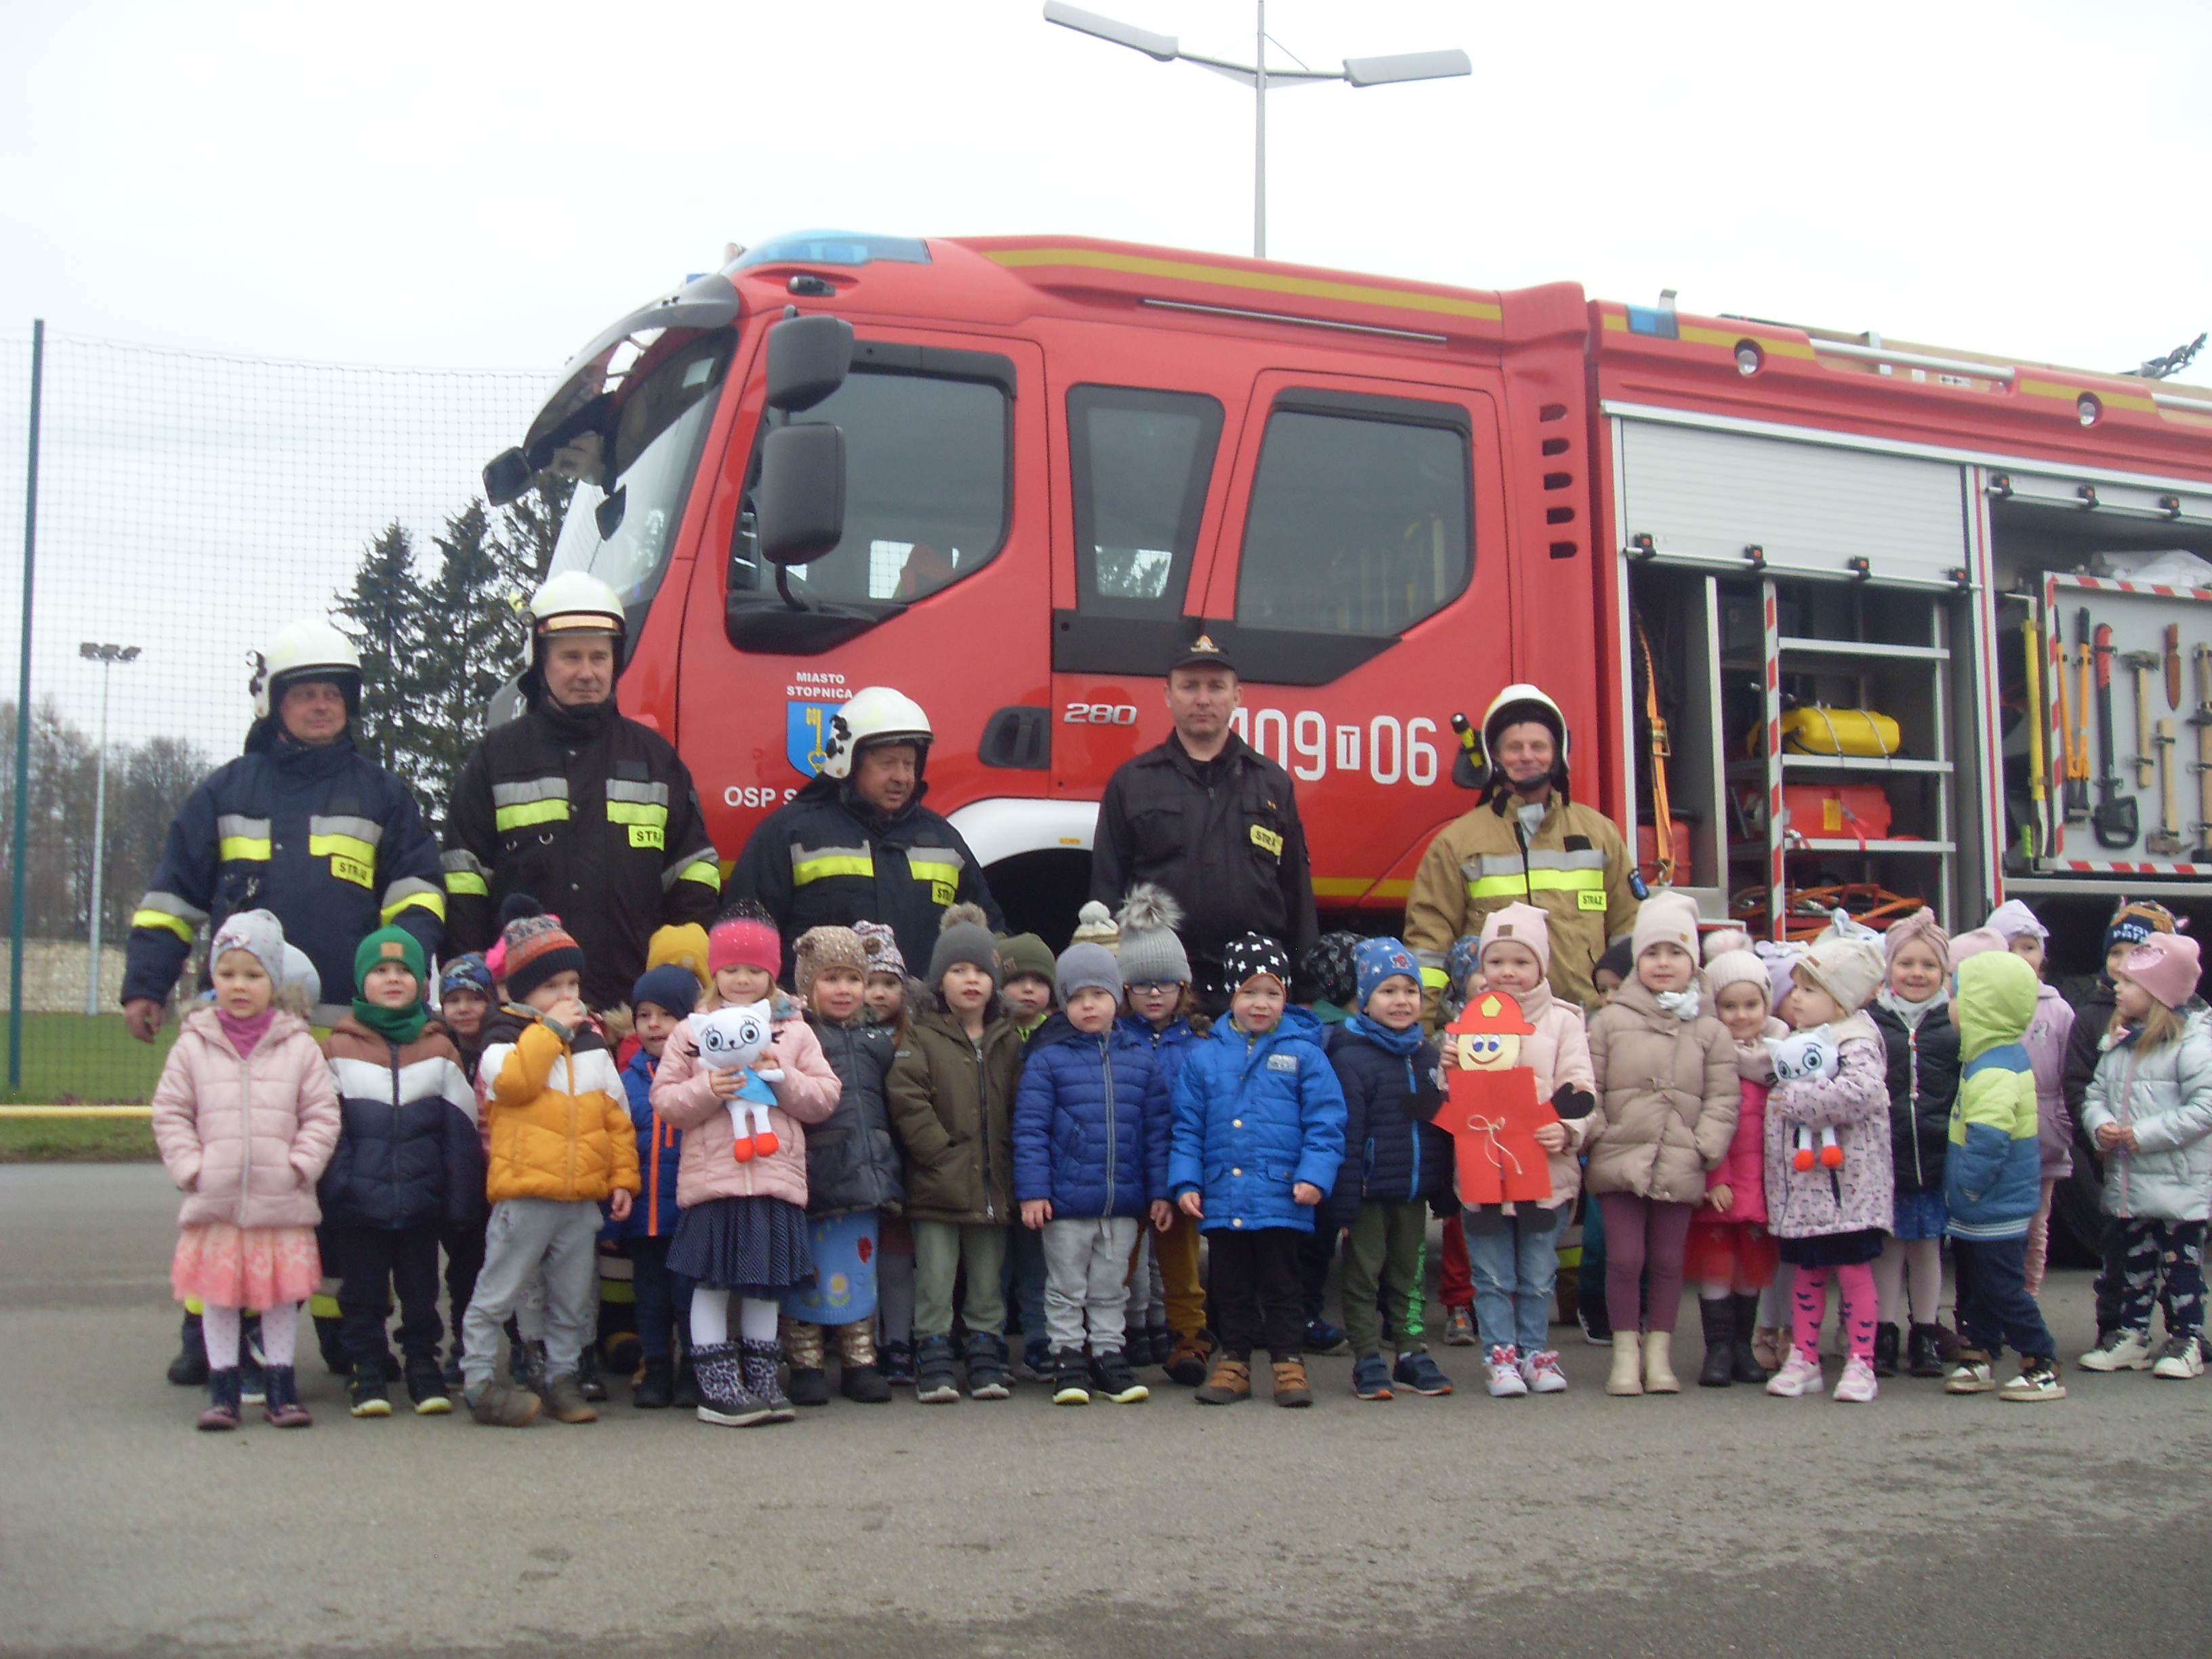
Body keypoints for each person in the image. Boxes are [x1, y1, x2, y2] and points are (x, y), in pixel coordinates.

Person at [127, 621, 443, 1388]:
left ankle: (345, 1333)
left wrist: (399, 975)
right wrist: (145, 983)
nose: (321, 706)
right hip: (240, 1039)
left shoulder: (382, 796)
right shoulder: (226, 792)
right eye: (305, 695)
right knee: (235, 1188)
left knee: (342, 1195)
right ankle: (209, 1334)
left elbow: (418, 896)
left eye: (333, 694)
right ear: (273, 703)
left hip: (348, 1038)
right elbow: (172, 898)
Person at [442, 573, 722, 1010]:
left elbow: (695, 873)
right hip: (525, 1014)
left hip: (635, 1012)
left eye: (599, 657)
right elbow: (463, 880)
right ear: (540, 662)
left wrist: (678, 972)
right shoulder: (497, 759)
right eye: (571, 657)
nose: (588, 673)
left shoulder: (655, 759)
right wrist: (474, 978)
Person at [649, 908, 842, 1426]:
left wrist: (781, 1077)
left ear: (771, 974)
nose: (741, 978)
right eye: (730, 968)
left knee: (765, 1285)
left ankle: (762, 1380)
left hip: (775, 1180)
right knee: (711, 1284)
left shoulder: (794, 1031)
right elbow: (665, 1100)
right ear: (714, 972)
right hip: (714, 1182)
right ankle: (717, 1388)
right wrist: (707, 1088)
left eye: (754, 970)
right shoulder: (691, 1032)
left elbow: (825, 1097)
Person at [150, 910, 340, 1430]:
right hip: (216, 1200)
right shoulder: (194, 1044)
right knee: (219, 1298)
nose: (239, 985)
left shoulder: (297, 1045)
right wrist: (191, 1168)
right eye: (228, 973)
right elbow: (171, 1112)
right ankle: (223, 1392)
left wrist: (301, 1166)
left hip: (281, 1200)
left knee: (279, 1297)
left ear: (274, 981)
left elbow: (322, 1114)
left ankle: (281, 1389)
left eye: (253, 975)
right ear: (212, 976)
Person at [461, 897, 641, 1428]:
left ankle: (561, 1377)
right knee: (499, 1291)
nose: (567, 997)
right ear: (520, 992)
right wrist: (551, 1031)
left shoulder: (591, 1044)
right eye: (551, 986)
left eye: (573, 984)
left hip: (580, 1198)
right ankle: (479, 1382)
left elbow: (616, 1115)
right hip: (524, 1195)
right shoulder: (502, 1038)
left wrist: (622, 1177)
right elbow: (514, 1085)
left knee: (572, 1300)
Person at [1170, 933, 1347, 1408]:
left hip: (1282, 1195)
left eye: (1273, 992)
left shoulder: (1305, 1054)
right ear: (1231, 996)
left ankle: (1289, 1364)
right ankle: (1234, 1363)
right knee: (1230, 1288)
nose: (1261, 1004)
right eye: (1249, 992)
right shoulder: (1204, 1057)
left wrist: (1315, 1175)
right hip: (1224, 1197)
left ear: (1286, 998)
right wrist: (1186, 1182)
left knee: (1284, 1286)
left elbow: (1326, 1121)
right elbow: (1187, 1127)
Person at [1090, 638, 1317, 1002]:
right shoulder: (1132, 782)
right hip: (1163, 987)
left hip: (1253, 988)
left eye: (1216, 687)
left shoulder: (1272, 782)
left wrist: (1307, 990)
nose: (1203, 699)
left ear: (1237, 696)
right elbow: (1107, 887)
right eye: (1189, 687)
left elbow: (1297, 891)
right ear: (1168, 695)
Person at [728, 685, 1002, 985]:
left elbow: (989, 937)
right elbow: (742, 940)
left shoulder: (945, 843)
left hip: (918, 1015)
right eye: (888, 763)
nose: (902, 777)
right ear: (848, 763)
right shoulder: (791, 834)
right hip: (812, 1014)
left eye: (909, 764)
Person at [318, 928, 483, 1418]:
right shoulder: (337, 1049)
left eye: (403, 971)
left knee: (421, 1294)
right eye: (380, 971)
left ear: (421, 984)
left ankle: (423, 1369)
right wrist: (337, 1189)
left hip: (421, 1203)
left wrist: (460, 1201)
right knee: (362, 1295)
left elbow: (460, 1134)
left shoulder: (440, 1049)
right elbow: (326, 1128)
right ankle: (367, 1371)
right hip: (357, 1206)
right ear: (360, 981)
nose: (393, 979)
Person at [1404, 684, 1639, 1021]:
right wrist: (1421, 1033)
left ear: (1557, 754)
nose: (1527, 756)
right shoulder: (1456, 844)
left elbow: (1629, 934)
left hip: (1585, 1026)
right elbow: (1429, 950)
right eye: (1514, 748)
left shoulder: (1600, 835)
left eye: (1538, 747)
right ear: (1495, 757)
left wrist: (1630, 1020)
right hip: (1493, 1030)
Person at [1584, 893, 1736, 1396]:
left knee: (1669, 1262)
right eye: (1652, 952)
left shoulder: (1710, 1030)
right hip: (1620, 1157)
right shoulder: (1609, 1022)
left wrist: (1703, 1145)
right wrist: (1598, 1131)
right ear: (1638, 961)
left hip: (1679, 1158)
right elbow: (1588, 1086)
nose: (1664, 963)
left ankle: (1659, 1355)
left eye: (1676, 952)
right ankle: (1625, 1355)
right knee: (1625, 1258)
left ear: (1694, 961)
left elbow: (1723, 1097)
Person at [1012, 941, 1173, 1406]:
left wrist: (1160, 1192)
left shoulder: (1140, 1059)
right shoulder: (1047, 1060)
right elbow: (1030, 1130)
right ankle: (1067, 1358)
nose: (1089, 1006)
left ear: (1116, 999)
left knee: (1110, 1287)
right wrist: (1033, 1192)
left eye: (1099, 995)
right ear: (1063, 1003)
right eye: (1077, 997)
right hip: (1065, 1203)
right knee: (1065, 1286)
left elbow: (1156, 1132)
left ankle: (1108, 1356)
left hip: (1122, 1202)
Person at [884, 905, 1026, 1404]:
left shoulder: (1009, 1041)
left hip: (993, 1182)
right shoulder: (921, 1035)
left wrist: (1010, 1157)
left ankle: (986, 1352)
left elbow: (1021, 1104)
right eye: (958, 970)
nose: (970, 981)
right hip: (937, 1182)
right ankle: (934, 1352)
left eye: (980, 972)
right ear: (939, 981)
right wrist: (938, 1153)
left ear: (994, 983)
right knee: (936, 1277)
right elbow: (907, 1098)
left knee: (988, 1278)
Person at [1320, 939, 1455, 1401]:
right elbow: (1347, 1133)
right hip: (1368, 1192)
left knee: (1410, 1276)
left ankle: (1411, 1352)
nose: (1401, 1001)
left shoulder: (1429, 1056)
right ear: (1365, 999)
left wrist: (1444, 1188)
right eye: (1388, 991)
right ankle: (1367, 1357)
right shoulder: (1350, 1056)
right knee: (1363, 1276)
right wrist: (1343, 1201)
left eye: (1410, 991)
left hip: (1413, 1191)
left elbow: (1443, 1128)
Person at [2076, 933, 2212, 1381]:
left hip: (2178, 1183)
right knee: (2133, 1262)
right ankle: (2131, 1335)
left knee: (2181, 1266)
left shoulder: (2194, 1045)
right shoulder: (2119, 1043)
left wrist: (2143, 1135)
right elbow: (2095, 1094)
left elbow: (2205, 1108)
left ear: (2158, 994)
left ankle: (2187, 1339)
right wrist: (2100, 1126)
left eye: (2130, 982)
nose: (2117, 986)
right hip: (2131, 1183)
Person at [1761, 935, 1891, 1402]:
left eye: (1810, 990)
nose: (1796, 998)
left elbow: (1862, 1092)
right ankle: (1805, 1358)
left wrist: (1794, 1099)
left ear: (1841, 1000)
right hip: (1804, 1189)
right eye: (1796, 988)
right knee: (1807, 1272)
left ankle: (1862, 1361)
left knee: (1853, 1271)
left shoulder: (1856, 1041)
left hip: (1846, 1189)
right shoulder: (1796, 1040)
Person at [1937, 931, 2064, 1402]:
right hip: (1985, 1207)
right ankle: (1979, 1353)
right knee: (1976, 1286)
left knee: (2002, 1288)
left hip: (1992, 1205)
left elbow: (1989, 1140)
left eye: (1957, 998)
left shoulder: (1992, 1070)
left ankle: (2041, 1361)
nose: (1950, 1006)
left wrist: (1967, 1189)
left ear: (1982, 1008)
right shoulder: (1988, 1058)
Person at [785, 925, 902, 1407]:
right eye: (830, 978)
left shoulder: (880, 1041)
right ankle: (806, 1363)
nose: (844, 989)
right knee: (806, 1274)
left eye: (853, 978)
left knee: (858, 1272)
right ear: (807, 983)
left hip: (867, 1171)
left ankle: (860, 1361)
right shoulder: (798, 1035)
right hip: (815, 1173)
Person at [2062, 899, 2177, 1347]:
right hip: (2116, 1159)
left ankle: (2183, 1329)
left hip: (2169, 1159)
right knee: (2118, 1245)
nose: (2122, 963)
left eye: (2136, 953)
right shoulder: (2091, 1017)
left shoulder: (2184, 1021)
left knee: (2176, 1250)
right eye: (2115, 953)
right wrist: (2094, 1136)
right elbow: (2078, 1084)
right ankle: (2115, 1325)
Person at [1113, 886, 1214, 1386]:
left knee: (1183, 1269)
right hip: (1126, 1175)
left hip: (1179, 1176)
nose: (1154, 994)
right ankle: (1106, 1343)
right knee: (1116, 1268)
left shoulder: (1201, 1046)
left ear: (1183, 987)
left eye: (1166, 984)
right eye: (1141, 984)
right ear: (1124, 989)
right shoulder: (1112, 1042)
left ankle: (1189, 1339)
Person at [1687, 934, 1784, 1389]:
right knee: (1718, 1267)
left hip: (1763, 1184)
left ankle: (1743, 1346)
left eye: (1751, 1005)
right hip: (1722, 1185)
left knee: (1752, 1269)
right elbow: (1704, 1121)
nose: (1742, 1015)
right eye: (1729, 1006)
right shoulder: (1710, 1057)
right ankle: (1719, 1348)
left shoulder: (1779, 1058)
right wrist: (1715, 1178)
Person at [1867, 909, 1959, 1380]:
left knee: (1927, 1248)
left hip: (1937, 1157)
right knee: (1888, 1248)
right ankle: (1882, 1332)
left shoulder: (1954, 1022)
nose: (1917, 973)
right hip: (1885, 1157)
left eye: (1929, 965)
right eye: (1906, 963)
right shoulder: (1873, 1021)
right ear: (1889, 968)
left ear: (1945, 972)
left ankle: (1925, 1331)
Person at [609, 961, 698, 1410]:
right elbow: (614, 1145)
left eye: (667, 1014)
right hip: (644, 1216)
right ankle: (657, 1368)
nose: (654, 1024)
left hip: (689, 1214)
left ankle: (693, 1372)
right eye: (644, 1015)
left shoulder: (702, 1076)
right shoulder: (626, 1081)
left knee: (689, 1298)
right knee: (650, 1299)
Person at [1982, 901, 2076, 1300]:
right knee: (1993, 1225)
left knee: (2035, 1224)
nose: (2021, 956)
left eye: (2029, 947)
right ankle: (1995, 1300)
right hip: (1993, 1133)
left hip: (2043, 1137)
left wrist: (2061, 1122)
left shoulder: (2057, 1010)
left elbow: (2072, 1072)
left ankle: (2027, 1297)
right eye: (2011, 947)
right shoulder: (1981, 1004)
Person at [854, 921, 920, 1385]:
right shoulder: (835, 1035)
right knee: (859, 1258)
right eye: (869, 982)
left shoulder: (914, 1039)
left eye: (889, 984)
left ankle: (898, 1341)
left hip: (900, 1164)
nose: (879, 993)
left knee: (897, 1259)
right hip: (856, 1165)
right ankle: (861, 1343)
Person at [434, 953, 497, 1387]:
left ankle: (518, 1346)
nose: (463, 1008)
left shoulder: (503, 1048)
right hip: (455, 1176)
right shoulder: (438, 1050)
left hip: (499, 1171)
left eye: (474, 998)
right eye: (453, 1000)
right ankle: (463, 1345)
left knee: (509, 1266)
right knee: (464, 1267)